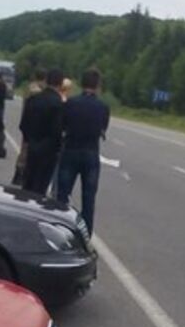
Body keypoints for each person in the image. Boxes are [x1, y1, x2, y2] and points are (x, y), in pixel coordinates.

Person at [56, 68, 110, 235]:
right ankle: (85, 234)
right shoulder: (103, 107)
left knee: (63, 195)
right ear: (98, 85)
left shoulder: (70, 103)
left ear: (81, 83)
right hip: (91, 152)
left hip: (71, 149)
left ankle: (60, 229)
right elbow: (103, 129)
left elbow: (62, 126)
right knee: (88, 198)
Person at [19, 67, 64, 196]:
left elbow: (23, 125)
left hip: (32, 148)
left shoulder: (33, 100)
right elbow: (57, 131)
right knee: (40, 188)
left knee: (27, 185)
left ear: (46, 80)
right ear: (60, 84)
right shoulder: (58, 104)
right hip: (49, 152)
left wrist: (29, 141)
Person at [11, 68, 46, 186]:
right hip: (33, 123)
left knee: (24, 149)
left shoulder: (29, 88)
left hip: (26, 121)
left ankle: (19, 172)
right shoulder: (37, 91)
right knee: (26, 150)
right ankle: (21, 173)